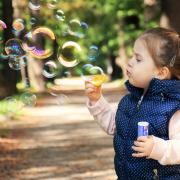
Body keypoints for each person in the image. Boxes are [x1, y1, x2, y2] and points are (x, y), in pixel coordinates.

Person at [85, 27, 180, 180]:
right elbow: (115, 127)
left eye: (138, 59)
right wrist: (97, 100)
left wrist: (157, 148)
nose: (129, 62)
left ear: (161, 73)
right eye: (132, 56)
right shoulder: (129, 100)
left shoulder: (172, 108)